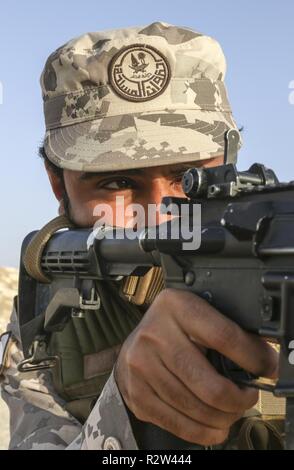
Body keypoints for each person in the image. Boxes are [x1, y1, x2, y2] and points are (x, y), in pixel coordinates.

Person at [0, 21, 282, 450]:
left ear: (230, 163)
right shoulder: (46, 319)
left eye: (188, 177)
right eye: (115, 183)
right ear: (60, 186)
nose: (161, 212)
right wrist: (127, 411)